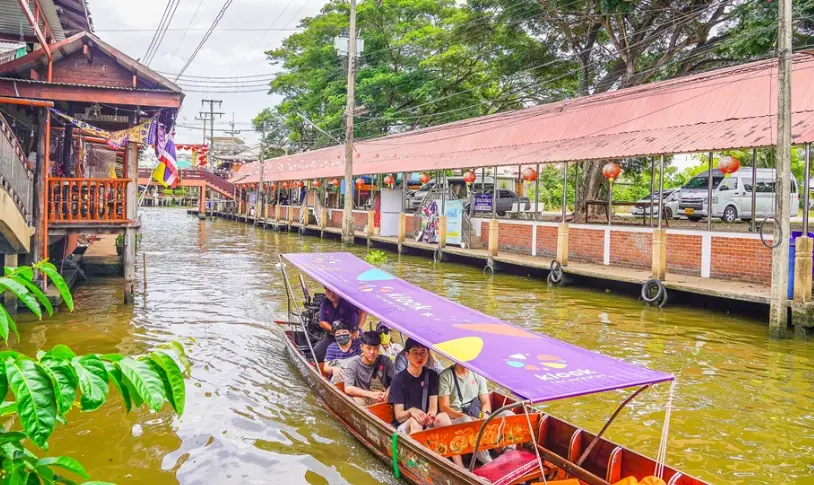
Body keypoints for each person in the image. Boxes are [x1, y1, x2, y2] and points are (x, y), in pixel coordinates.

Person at [388, 339, 460, 465]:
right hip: (406, 425)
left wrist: (430, 416)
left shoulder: (431, 376)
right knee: (416, 422)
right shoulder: (398, 380)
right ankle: (418, 465)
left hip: (425, 420)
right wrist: (411, 411)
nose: (419, 357)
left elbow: (433, 407)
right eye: (415, 352)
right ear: (407, 355)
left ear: (428, 355)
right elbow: (399, 416)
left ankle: (459, 466)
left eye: (423, 353)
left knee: (442, 417)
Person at [438, 363, 517, 464]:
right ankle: (487, 460)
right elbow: (444, 407)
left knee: (509, 414)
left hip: (477, 415)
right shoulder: (446, 376)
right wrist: (464, 416)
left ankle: (508, 451)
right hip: (457, 419)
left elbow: (486, 403)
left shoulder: (478, 374)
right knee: (468, 421)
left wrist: (485, 417)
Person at [314, 287, 368, 362]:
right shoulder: (325, 303)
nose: (331, 294)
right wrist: (335, 331)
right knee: (317, 352)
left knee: (365, 352)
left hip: (352, 334)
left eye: (334, 292)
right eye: (328, 291)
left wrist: (357, 329)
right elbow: (322, 322)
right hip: (334, 335)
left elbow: (363, 311)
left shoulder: (348, 301)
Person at [343, 331, 396, 406]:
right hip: (363, 397)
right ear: (361, 347)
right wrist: (371, 394)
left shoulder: (385, 361)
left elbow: (396, 380)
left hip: (383, 397)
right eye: (368, 348)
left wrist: (388, 392)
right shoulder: (354, 365)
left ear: (379, 347)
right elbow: (348, 388)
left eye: (376, 349)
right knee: (356, 402)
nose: (372, 352)